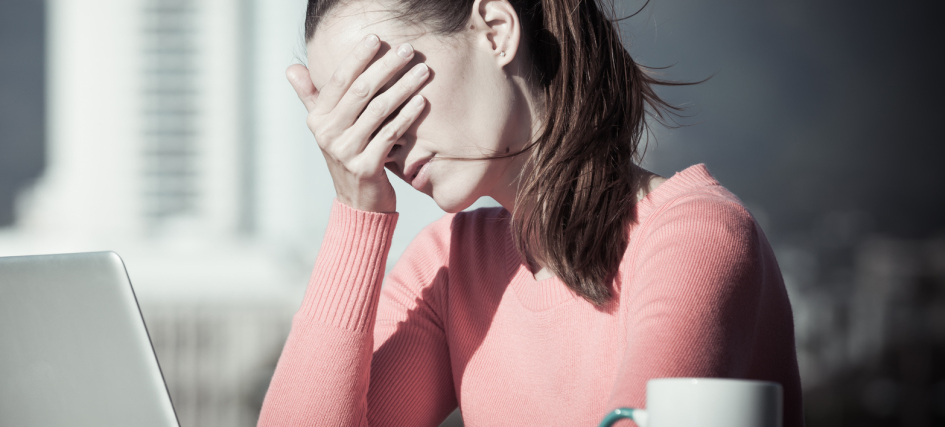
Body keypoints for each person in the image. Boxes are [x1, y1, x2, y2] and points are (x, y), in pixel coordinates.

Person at [257, 0, 804, 426]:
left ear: (496, 30)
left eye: (383, 95)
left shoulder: (692, 235)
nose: (381, 144)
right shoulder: (447, 266)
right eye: (356, 120)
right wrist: (357, 208)